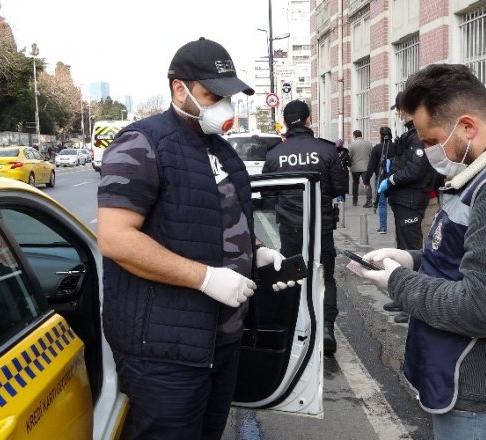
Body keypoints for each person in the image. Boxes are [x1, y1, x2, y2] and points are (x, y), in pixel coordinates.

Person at [348, 64, 486, 439]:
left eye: (430, 138)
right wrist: (414, 260)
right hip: (477, 387)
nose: (426, 149)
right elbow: (472, 257)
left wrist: (398, 282)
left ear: (467, 126)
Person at [96, 37, 295, 440]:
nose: (224, 106)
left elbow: (218, 219)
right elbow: (117, 239)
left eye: (229, 97)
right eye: (212, 95)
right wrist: (205, 278)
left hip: (220, 341)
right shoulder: (143, 144)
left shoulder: (221, 151)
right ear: (178, 89)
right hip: (163, 350)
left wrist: (256, 252)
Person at [262, 99, 349, 354]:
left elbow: (268, 195)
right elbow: (340, 188)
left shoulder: (275, 154)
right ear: (309, 120)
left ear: (286, 123)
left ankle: (295, 328)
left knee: (292, 275)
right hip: (320, 226)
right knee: (325, 275)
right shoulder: (327, 150)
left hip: (290, 227)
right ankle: (326, 330)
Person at [379, 92, 435, 324]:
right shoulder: (410, 136)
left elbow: (416, 170)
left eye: (400, 109)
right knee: (402, 248)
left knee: (411, 250)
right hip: (403, 200)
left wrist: (391, 180)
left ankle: (412, 305)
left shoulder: (418, 137)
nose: (398, 113)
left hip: (411, 200)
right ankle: (403, 298)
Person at [363, 126, 393, 233]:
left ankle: (383, 227)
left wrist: (366, 181)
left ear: (381, 135)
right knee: (397, 203)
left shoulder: (377, 148)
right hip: (396, 179)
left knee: (382, 203)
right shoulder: (396, 147)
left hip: (381, 179)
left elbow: (371, 166)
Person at [347, 130, 373, 207]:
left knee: (355, 183)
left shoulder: (351, 145)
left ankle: (355, 201)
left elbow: (349, 157)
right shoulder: (369, 144)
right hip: (366, 167)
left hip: (355, 167)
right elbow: (371, 156)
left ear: (354, 136)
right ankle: (369, 200)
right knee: (367, 183)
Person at [333, 138, 351, 204]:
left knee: (337, 186)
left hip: (336, 172)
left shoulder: (333, 152)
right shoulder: (346, 152)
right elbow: (350, 164)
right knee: (343, 187)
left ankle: (338, 200)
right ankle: (342, 202)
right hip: (344, 172)